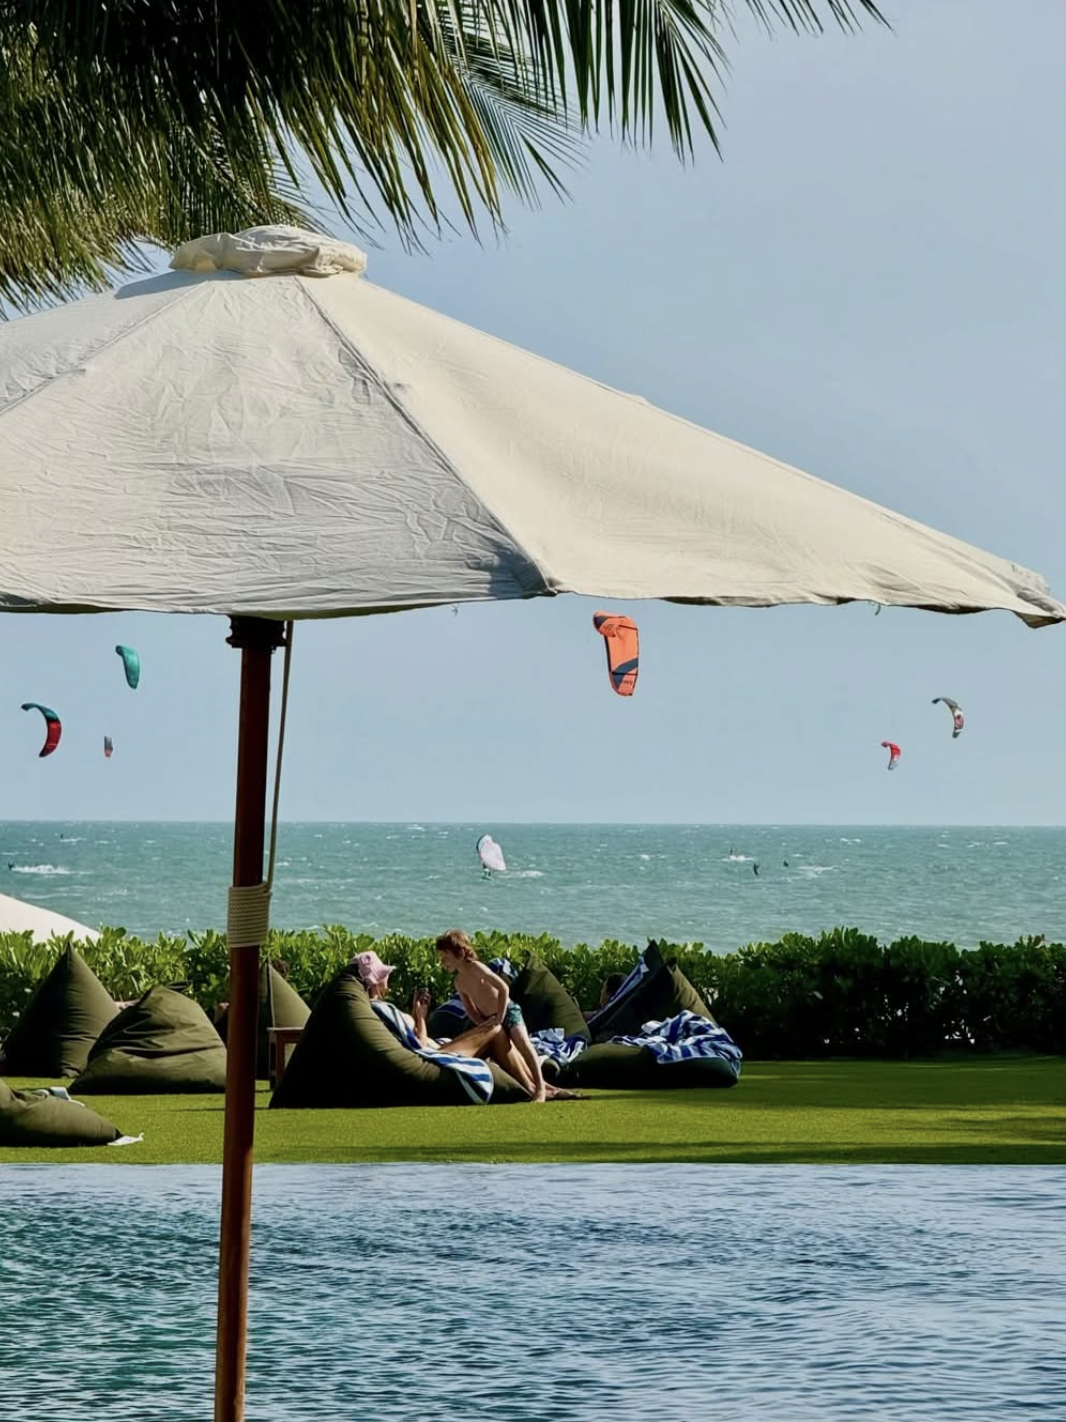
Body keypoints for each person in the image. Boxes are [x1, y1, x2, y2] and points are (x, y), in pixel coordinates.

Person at [350, 949, 542, 1095]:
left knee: (496, 1030)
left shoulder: (373, 1009)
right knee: (495, 1029)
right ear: (375, 981)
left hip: (431, 1050)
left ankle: (538, 1086)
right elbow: (419, 1045)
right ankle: (533, 1088)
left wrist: (418, 1015)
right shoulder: (382, 1009)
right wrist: (420, 1017)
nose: (387, 979)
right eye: (384, 975)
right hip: (431, 1057)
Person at [434, 930, 552, 1103]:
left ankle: (541, 1088)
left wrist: (500, 1016)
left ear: (460, 953)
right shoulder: (459, 981)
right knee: (506, 1056)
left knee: (523, 1044)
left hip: (508, 1011)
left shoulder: (477, 968)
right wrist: (483, 1024)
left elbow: (503, 988)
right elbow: (470, 1009)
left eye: (445, 958)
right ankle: (538, 1088)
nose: (443, 963)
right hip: (490, 1020)